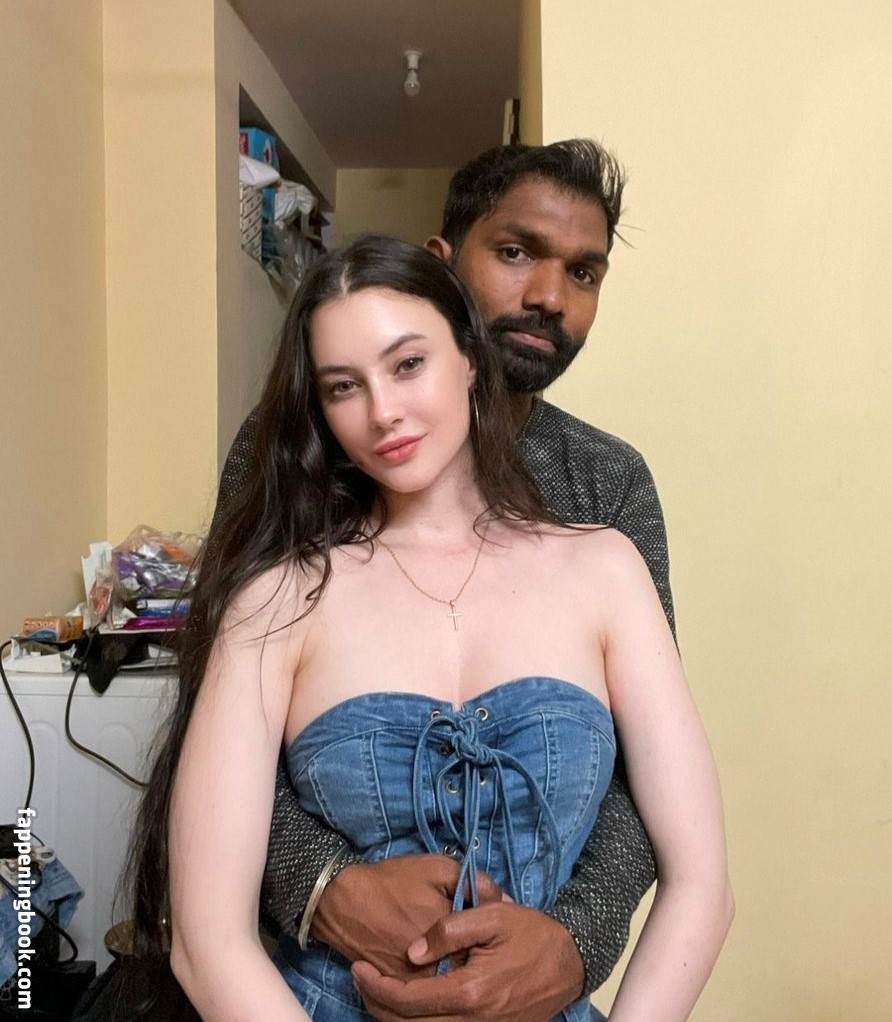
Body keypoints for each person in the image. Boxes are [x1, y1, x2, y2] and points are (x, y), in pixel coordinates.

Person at [131, 234, 732, 1022]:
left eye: (408, 364)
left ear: (470, 358)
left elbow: (701, 883)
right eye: (344, 386)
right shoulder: (276, 600)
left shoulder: (606, 569)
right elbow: (207, 941)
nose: (382, 412)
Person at [216, 139, 674, 1022]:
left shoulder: (605, 486)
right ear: (444, 267)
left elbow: (645, 771)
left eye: (583, 272)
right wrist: (322, 885)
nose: (550, 295)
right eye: (516, 252)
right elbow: (219, 741)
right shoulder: (295, 456)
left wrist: (573, 944)